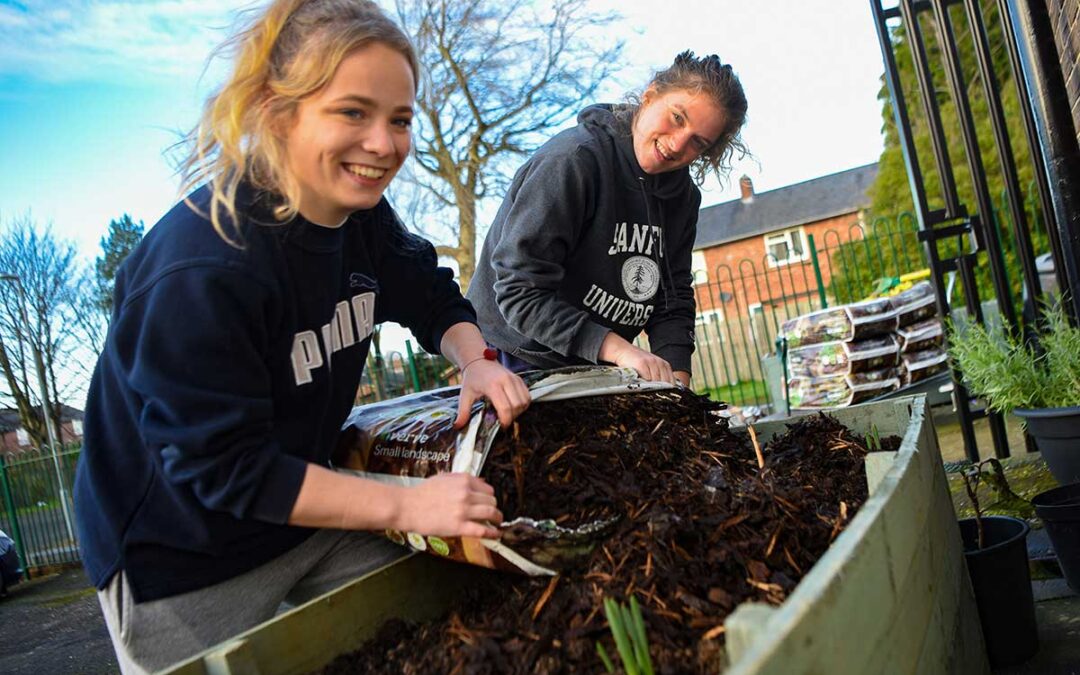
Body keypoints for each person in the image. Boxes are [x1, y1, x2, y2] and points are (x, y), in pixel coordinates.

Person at [73, 1, 530, 671]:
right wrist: (409, 502)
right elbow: (224, 468)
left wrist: (475, 360)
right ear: (275, 109)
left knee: (438, 626)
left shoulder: (360, 218)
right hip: (180, 551)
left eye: (399, 119)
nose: (384, 143)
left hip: (311, 508)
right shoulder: (201, 266)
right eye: (353, 112)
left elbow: (426, 291)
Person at [467, 51, 748, 387]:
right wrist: (622, 351)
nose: (676, 145)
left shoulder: (682, 198)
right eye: (676, 118)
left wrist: (677, 380)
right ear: (650, 95)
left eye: (698, 143)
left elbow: (671, 298)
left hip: (596, 361)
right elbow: (519, 291)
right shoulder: (572, 161)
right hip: (515, 356)